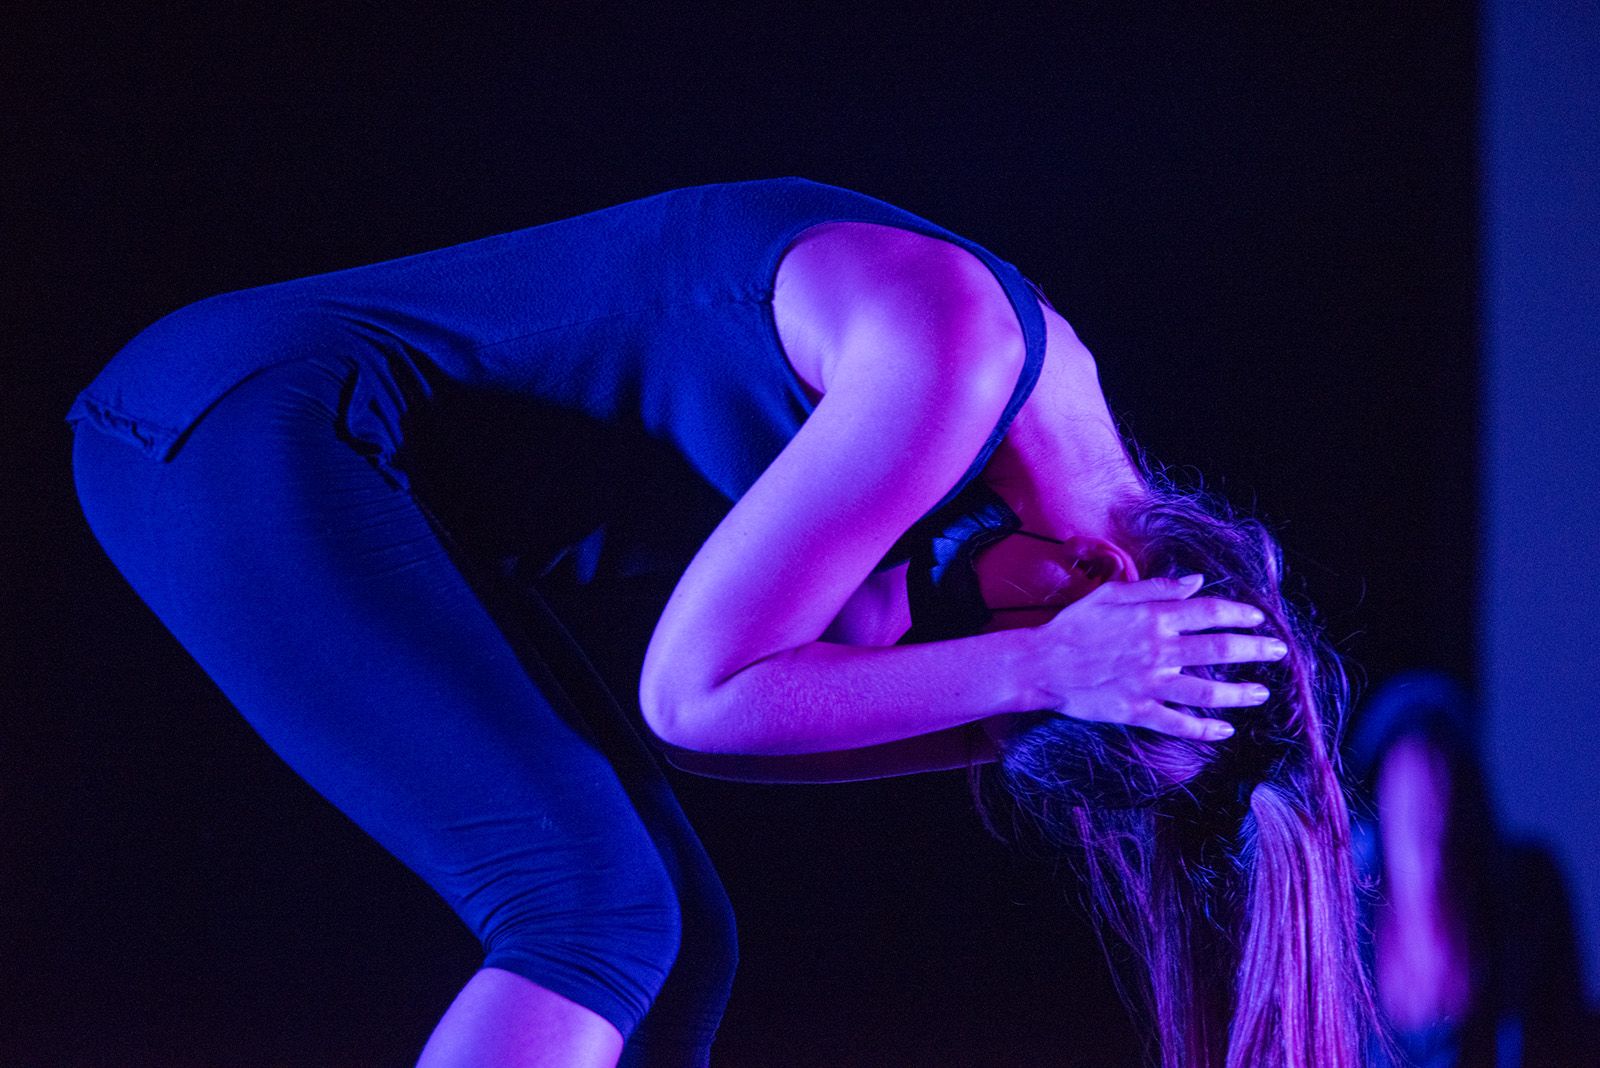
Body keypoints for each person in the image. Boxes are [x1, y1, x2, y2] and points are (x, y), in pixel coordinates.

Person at [66, 176, 1378, 1067]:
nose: (987, 682)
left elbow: (735, 732)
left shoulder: (1015, 476)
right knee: (594, 918)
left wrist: (1030, 681)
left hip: (291, 454)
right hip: (256, 426)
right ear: (1098, 578)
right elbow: (691, 697)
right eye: (1036, 681)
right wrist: (1040, 669)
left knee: (685, 949)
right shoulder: (956, 357)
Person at [1346, 671, 1592, 1067]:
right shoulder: (1345, 912)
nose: (1428, 833)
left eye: (1441, 806)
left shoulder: (1525, 898)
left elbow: (1566, 1038)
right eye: (1410, 812)